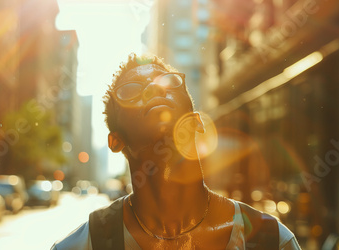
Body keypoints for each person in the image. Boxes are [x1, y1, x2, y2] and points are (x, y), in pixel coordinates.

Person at [51, 53, 301, 250]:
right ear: (116, 141)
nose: (154, 89)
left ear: (196, 121)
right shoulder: (83, 246)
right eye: (131, 91)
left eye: (168, 82)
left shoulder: (271, 241)